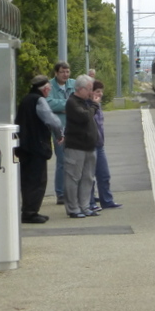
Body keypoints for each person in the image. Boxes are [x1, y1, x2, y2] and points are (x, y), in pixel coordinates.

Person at [15, 76, 65, 224]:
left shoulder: (26, 100)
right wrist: (59, 134)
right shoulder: (39, 100)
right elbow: (52, 120)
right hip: (37, 146)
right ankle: (30, 213)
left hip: (24, 146)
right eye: (49, 88)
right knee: (37, 181)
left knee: (27, 180)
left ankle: (28, 210)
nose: (49, 91)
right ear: (44, 89)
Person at [62, 74, 99, 218]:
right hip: (76, 147)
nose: (91, 92)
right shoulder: (72, 102)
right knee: (73, 177)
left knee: (88, 178)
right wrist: (94, 105)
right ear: (80, 89)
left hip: (89, 147)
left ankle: (85, 206)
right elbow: (84, 117)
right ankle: (73, 208)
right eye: (89, 89)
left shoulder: (85, 102)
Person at [88, 80, 122, 211]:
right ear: (90, 92)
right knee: (90, 176)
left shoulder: (98, 106)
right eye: (97, 91)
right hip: (90, 145)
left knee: (104, 174)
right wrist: (94, 105)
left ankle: (107, 200)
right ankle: (90, 202)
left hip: (100, 144)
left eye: (101, 91)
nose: (100, 94)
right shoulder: (88, 106)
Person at [46, 62, 75, 205]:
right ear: (56, 73)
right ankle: (61, 193)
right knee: (62, 161)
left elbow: (81, 101)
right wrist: (69, 104)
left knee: (76, 161)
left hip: (74, 128)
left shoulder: (74, 84)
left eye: (67, 71)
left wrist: (62, 106)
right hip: (59, 129)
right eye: (62, 72)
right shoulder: (50, 86)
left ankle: (74, 192)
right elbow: (49, 104)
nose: (65, 74)